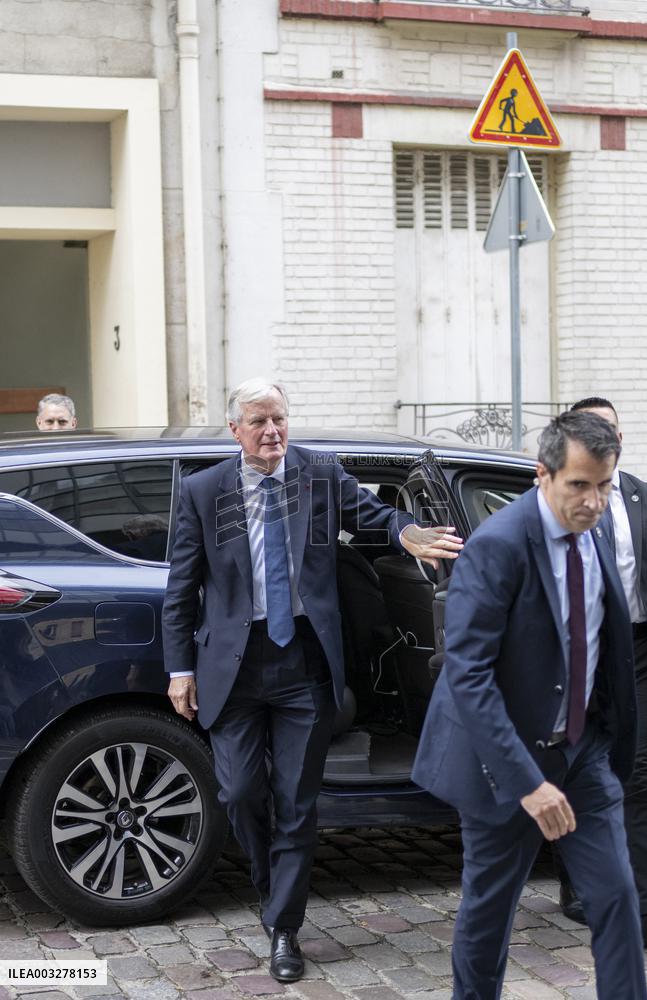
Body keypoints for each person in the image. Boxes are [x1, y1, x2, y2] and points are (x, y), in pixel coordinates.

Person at [162, 378, 463, 983]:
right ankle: (272, 890)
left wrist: (408, 533)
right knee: (241, 794)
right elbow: (181, 587)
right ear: (235, 431)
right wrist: (180, 668)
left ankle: (284, 928)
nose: (272, 431)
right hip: (233, 667)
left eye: (279, 418)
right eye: (258, 422)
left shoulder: (319, 474)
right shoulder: (202, 491)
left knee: (297, 804)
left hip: (304, 663)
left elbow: (377, 514)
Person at [412, 410, 647, 999]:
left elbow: (603, 642)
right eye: (579, 485)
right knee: (491, 910)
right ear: (542, 474)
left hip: (582, 753)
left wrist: (608, 738)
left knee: (617, 896)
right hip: (503, 762)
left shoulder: (594, 531)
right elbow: (468, 674)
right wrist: (527, 783)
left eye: (604, 486)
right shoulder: (498, 546)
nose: (594, 501)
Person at [554, 397, 647, 950]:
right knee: (577, 765)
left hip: (639, 652)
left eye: (612, 430)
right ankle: (576, 887)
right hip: (579, 655)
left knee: (639, 772)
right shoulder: (559, 500)